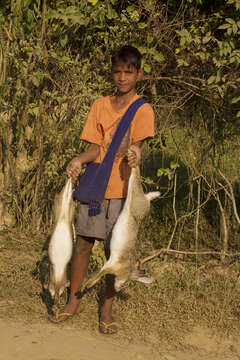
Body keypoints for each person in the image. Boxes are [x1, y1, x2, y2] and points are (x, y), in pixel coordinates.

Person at [48, 45, 155, 334]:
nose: (122, 78)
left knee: (114, 252)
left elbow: (137, 147)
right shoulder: (100, 105)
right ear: (112, 73)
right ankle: (73, 301)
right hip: (96, 188)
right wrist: (78, 160)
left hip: (123, 192)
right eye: (117, 72)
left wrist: (134, 155)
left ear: (138, 74)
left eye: (128, 72)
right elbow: (95, 148)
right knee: (83, 243)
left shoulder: (143, 110)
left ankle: (106, 308)